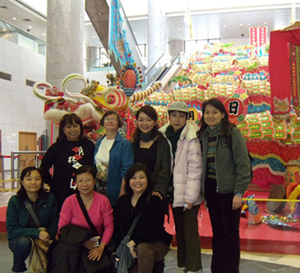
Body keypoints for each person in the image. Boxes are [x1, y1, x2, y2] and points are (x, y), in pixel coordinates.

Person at [198, 98, 252, 273]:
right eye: (207, 112)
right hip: (212, 191)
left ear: (222, 114)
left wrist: (239, 192)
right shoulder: (202, 135)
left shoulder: (232, 133)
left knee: (230, 235)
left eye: (215, 112)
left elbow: (243, 164)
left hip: (229, 192)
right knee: (218, 234)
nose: (210, 116)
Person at [160, 101, 203, 273]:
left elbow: (195, 168)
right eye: (174, 115)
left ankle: (194, 267)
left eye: (181, 116)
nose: (177, 119)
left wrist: (190, 197)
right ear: (169, 116)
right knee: (180, 229)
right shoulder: (163, 135)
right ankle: (182, 264)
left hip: (187, 192)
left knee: (190, 230)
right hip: (172, 191)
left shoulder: (192, 136)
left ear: (187, 118)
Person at [113, 163, 172, 273]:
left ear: (148, 180)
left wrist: (133, 243)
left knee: (143, 249)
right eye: (133, 178)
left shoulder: (155, 200)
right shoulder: (123, 201)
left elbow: (154, 229)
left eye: (141, 177)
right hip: (129, 244)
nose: (137, 181)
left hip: (154, 242)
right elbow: (117, 226)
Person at [54, 165, 114, 272]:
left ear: (94, 181)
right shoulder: (69, 201)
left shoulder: (103, 201)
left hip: (95, 245)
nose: (84, 184)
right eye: (80, 181)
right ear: (76, 183)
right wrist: (82, 243)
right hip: (73, 246)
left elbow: (109, 226)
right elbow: (62, 228)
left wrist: (101, 248)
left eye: (88, 180)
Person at [6, 166, 58, 273]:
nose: (33, 182)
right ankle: (18, 267)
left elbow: (55, 222)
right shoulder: (15, 201)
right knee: (24, 243)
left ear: (42, 181)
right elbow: (12, 230)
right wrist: (36, 233)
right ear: (22, 182)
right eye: (29, 179)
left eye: (37, 179)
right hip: (20, 240)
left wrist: (49, 235)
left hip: (45, 237)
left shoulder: (50, 198)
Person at [40, 113, 95, 210]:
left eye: (75, 126)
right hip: (61, 195)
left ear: (80, 127)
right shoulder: (56, 147)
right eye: (68, 127)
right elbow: (43, 168)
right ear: (63, 130)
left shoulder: (89, 146)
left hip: (86, 193)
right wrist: (52, 182)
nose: (72, 130)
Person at [94, 110, 133, 206]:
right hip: (98, 189)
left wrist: (122, 192)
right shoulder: (98, 143)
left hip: (115, 190)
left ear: (118, 123)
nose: (110, 121)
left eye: (113, 119)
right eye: (107, 119)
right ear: (103, 122)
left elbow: (126, 169)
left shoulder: (124, 143)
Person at [133, 105, 171, 200]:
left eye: (148, 120)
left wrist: (159, 190)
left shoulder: (162, 142)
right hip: (136, 190)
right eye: (141, 120)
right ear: (136, 122)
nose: (144, 123)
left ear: (155, 122)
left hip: (154, 192)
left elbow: (165, 169)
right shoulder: (135, 141)